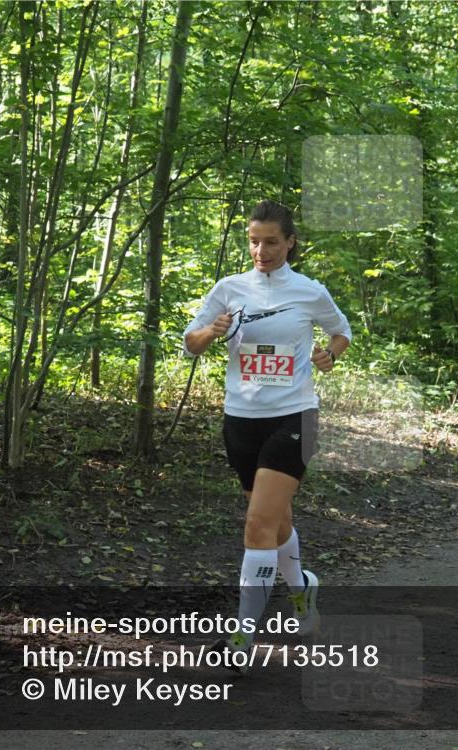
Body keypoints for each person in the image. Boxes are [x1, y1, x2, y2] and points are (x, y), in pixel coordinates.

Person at [182, 200, 352, 671]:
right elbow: (190, 343)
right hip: (241, 419)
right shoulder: (229, 289)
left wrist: (330, 355)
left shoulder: (309, 291)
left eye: (272, 242)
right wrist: (212, 331)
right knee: (275, 522)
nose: (261, 251)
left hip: (294, 417)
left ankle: (242, 638)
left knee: (257, 524)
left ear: (290, 242)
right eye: (254, 242)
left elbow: (341, 332)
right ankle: (302, 590)